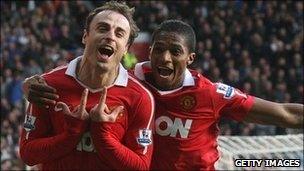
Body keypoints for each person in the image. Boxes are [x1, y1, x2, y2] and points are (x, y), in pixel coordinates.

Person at [23, 20, 303, 170]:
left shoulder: (210, 94)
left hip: (210, 165)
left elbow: (285, 113)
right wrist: (29, 86)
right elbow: (80, 78)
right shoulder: (129, 82)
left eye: (175, 52)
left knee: (271, 162)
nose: (164, 58)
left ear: (190, 58)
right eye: (158, 49)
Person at [19, 1, 154, 170]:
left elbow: (141, 166)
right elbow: (28, 154)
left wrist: (103, 136)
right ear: (85, 36)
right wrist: (71, 134)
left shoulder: (139, 97)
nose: (110, 36)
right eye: (103, 28)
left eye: (119, 34)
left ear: (126, 48)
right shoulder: (48, 85)